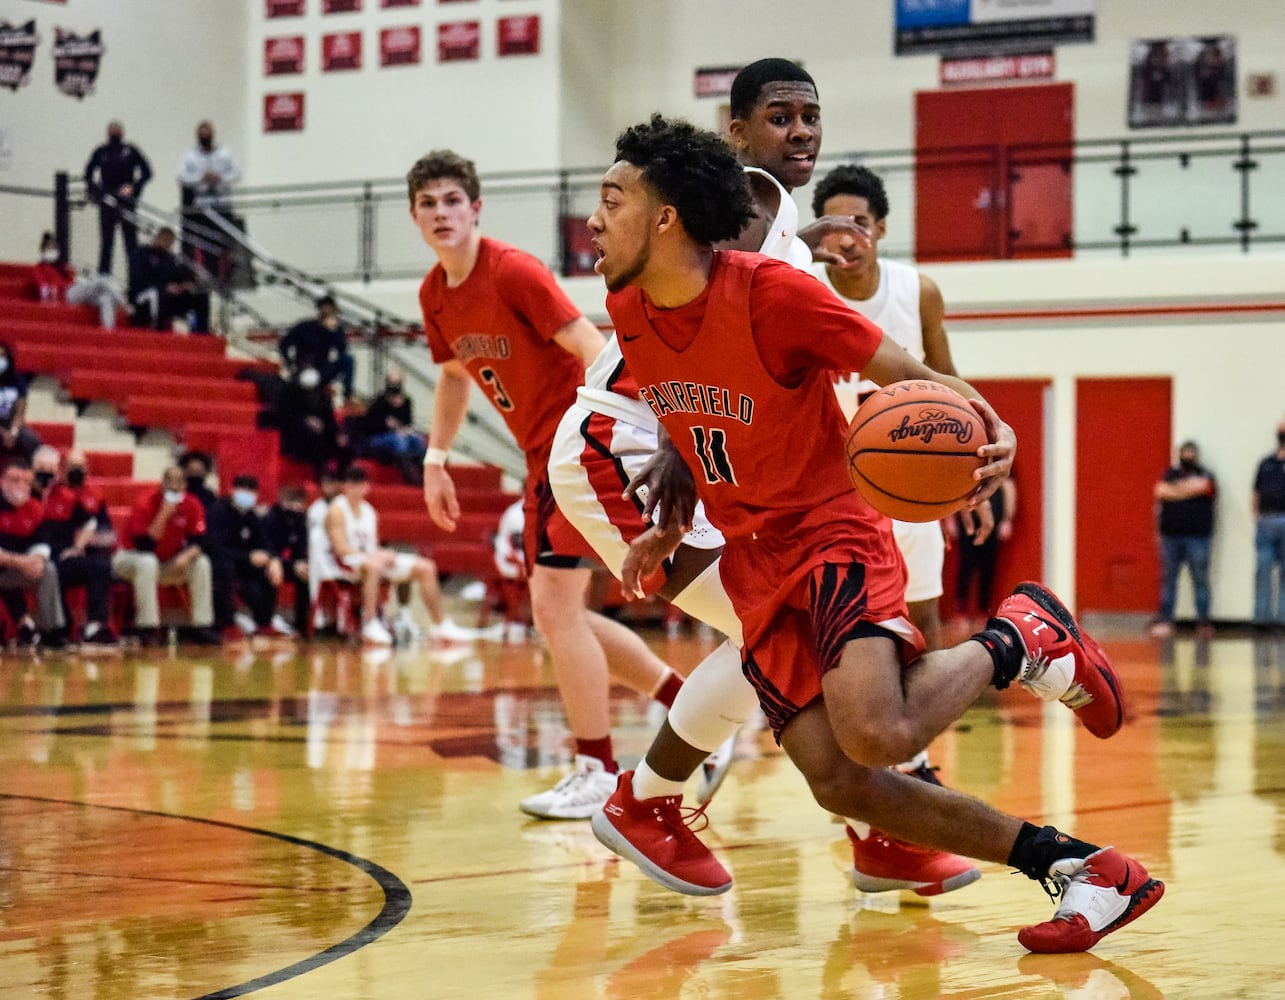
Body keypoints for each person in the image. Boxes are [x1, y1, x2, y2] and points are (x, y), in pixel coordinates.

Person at [587, 114, 1162, 953]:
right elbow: (687, 403)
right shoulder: (629, 308)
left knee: (879, 730)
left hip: (830, 535)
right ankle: (1082, 870)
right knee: (839, 781)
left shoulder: (774, 294)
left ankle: (1020, 639)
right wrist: (672, 522)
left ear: (666, 217)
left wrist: (985, 422)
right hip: (755, 561)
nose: (594, 219)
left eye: (612, 199)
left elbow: (912, 374)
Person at [550, 57, 976, 898]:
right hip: (629, 441)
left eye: (809, 118)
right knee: (777, 631)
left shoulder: (775, 226)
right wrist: (680, 464)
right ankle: (651, 799)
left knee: (783, 634)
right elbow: (701, 353)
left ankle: (872, 829)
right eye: (778, 118)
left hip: (689, 444)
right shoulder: (738, 207)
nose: (800, 133)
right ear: (735, 133)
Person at [409, 147, 686, 819]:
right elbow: (452, 378)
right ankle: (690, 708)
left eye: (452, 200)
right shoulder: (432, 295)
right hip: (543, 458)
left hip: (575, 447)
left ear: (476, 208)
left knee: (556, 613)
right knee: (565, 616)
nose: (441, 214)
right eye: (427, 204)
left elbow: (591, 347)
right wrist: (436, 458)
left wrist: (614, 437)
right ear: (414, 216)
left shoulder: (514, 273)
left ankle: (597, 768)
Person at [811, 163, 959, 652]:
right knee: (829, 627)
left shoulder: (918, 291)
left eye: (860, 225)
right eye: (835, 228)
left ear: (881, 229)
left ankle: (927, 725)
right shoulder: (800, 290)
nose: (848, 240)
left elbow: (949, 385)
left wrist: (962, 476)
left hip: (907, 474)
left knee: (921, 618)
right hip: (826, 486)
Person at [326, 465, 469, 645]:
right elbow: (340, 549)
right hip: (346, 562)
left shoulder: (370, 511)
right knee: (374, 565)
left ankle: (440, 625)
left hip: (369, 558)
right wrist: (374, 556)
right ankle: (370, 624)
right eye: (353, 485)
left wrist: (382, 553)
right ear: (345, 487)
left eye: (361, 485)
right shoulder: (337, 510)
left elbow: (373, 546)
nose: (358, 490)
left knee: (426, 567)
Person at [115, 465, 220, 645]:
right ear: (162, 484)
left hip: (166, 563)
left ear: (185, 485)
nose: (175, 487)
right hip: (130, 559)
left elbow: (201, 540)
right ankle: (147, 628)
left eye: (179, 482)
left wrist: (186, 557)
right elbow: (144, 545)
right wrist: (164, 514)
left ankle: (202, 625)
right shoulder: (146, 502)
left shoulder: (192, 503)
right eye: (170, 482)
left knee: (201, 562)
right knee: (148, 562)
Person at [32, 445, 118, 648]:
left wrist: (78, 546)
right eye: (41, 467)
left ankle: (94, 627)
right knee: (51, 570)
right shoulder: (25, 493)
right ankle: (59, 627)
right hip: (34, 558)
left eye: (49, 468)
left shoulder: (68, 497)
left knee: (99, 566)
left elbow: (95, 526)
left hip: (63, 557)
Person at [206, 474, 293, 638]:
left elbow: (264, 542)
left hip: (244, 563)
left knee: (271, 569)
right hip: (221, 562)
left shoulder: (250, 515)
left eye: (251, 491)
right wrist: (247, 557)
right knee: (225, 570)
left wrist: (273, 560)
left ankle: (265, 623)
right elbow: (216, 548)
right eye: (243, 490)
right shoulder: (217, 512)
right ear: (232, 491)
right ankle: (227, 624)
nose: (247, 495)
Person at [0, 458, 69, 651]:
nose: (20, 486)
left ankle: (53, 631)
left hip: (13, 571)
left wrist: (37, 560)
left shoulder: (35, 509)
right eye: (14, 480)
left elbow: (42, 545)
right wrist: (20, 561)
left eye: (25, 481)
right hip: (8, 564)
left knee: (47, 569)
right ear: (2, 481)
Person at [1151, 440, 1216, 638]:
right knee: (1169, 580)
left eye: (1191, 452)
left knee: (1200, 580)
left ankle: (1203, 622)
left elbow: (1204, 487)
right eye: (1184, 452)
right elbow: (1160, 491)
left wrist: (1175, 491)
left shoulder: (1205, 474)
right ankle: (1165, 620)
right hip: (1171, 537)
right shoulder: (1170, 473)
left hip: (1198, 537)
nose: (1187, 456)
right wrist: (1188, 489)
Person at [83, 120, 152, 278]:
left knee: (131, 245)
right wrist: (98, 192)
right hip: (107, 202)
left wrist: (134, 187)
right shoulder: (101, 151)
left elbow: (147, 172)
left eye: (117, 130)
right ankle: (103, 281)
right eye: (112, 130)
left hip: (126, 202)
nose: (114, 133)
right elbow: (88, 174)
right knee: (106, 243)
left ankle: (134, 283)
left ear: (122, 132)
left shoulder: (130, 150)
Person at [177, 120, 241, 279]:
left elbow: (237, 174)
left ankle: (226, 276)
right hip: (202, 206)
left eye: (207, 133)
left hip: (222, 204)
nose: (204, 136)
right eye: (201, 133)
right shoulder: (190, 155)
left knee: (226, 242)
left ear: (213, 134)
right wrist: (201, 178)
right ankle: (209, 275)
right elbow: (182, 177)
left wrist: (220, 178)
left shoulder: (225, 153)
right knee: (207, 243)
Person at [952, 477, 1017, 625]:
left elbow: (1009, 491)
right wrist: (951, 520)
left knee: (987, 570)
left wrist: (1007, 520)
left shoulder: (1003, 480)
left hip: (992, 530)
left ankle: (983, 611)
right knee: (965, 568)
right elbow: (955, 494)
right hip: (968, 529)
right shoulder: (968, 476)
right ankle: (960, 612)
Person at [32, 232, 128, 330]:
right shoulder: (40, 268)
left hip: (76, 290)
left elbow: (73, 279)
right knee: (102, 280)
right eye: (49, 248)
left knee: (105, 298)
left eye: (54, 248)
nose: (52, 251)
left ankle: (108, 331)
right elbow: (42, 287)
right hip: (66, 294)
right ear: (43, 250)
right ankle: (124, 303)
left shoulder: (62, 267)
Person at [128, 227, 209, 333]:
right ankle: (157, 330)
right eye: (165, 240)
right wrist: (163, 288)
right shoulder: (141, 253)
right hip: (145, 295)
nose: (168, 244)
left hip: (167, 296)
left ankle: (201, 333)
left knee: (201, 296)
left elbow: (174, 277)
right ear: (158, 238)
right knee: (158, 294)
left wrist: (184, 285)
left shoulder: (169, 258)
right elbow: (138, 280)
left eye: (170, 242)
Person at [279, 295, 355, 404]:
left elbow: (341, 349)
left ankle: (347, 395)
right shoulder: (305, 327)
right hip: (304, 367)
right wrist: (290, 364)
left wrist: (333, 332)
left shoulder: (335, 330)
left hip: (323, 368)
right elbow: (284, 344)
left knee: (348, 359)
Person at [360, 368, 427, 484]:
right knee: (399, 441)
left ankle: (424, 477)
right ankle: (411, 480)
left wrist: (399, 412)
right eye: (392, 383)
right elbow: (369, 426)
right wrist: (387, 423)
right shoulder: (378, 401)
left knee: (417, 439)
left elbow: (408, 422)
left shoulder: (406, 401)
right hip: (379, 437)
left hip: (401, 434)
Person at [262, 482, 311, 633]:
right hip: (266, 560)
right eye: (291, 501)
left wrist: (300, 563)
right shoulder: (270, 518)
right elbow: (266, 546)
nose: (295, 506)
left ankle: (302, 625)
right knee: (273, 572)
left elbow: (300, 548)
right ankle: (265, 621)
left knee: (305, 575)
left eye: (298, 502)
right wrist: (276, 561)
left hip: (287, 562)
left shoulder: (301, 520)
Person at [1253, 418, 1285, 631]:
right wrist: (1256, 514)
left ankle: (1282, 618)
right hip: (1266, 520)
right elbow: (1256, 491)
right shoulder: (1266, 463)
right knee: (1263, 569)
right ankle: (1261, 619)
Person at [0, 341, 41, 465]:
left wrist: (13, 432)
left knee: (31, 440)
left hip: (12, 426)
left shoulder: (18, 381)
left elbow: (20, 412)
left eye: (2, 356)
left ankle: (29, 475)